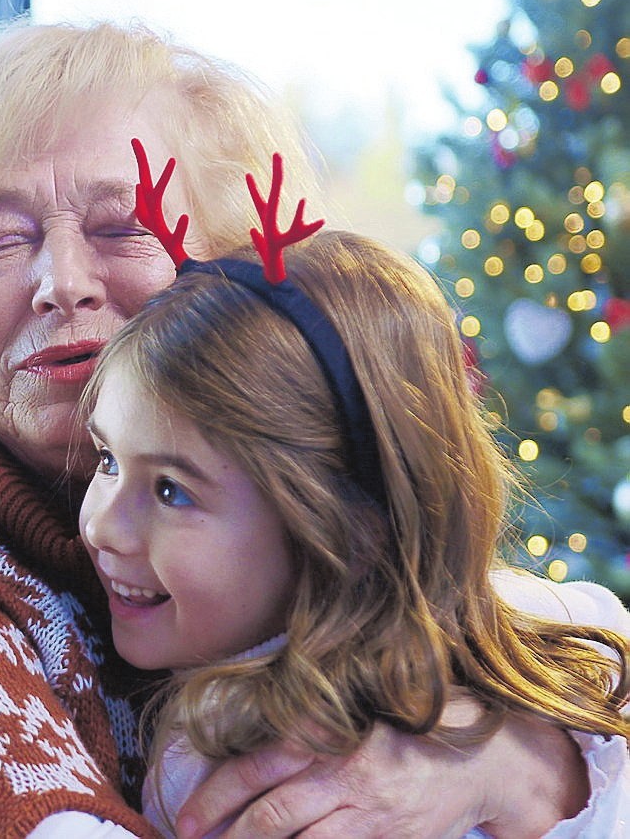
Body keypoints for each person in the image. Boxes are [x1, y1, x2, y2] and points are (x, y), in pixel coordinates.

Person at [0, 18, 621, 839]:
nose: (61, 283)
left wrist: (518, 771)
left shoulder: (322, 513)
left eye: (121, 226)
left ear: (228, 267)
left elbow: (566, 654)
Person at [78, 147, 629, 838]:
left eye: (170, 492)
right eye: (106, 459)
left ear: (342, 524)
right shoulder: (560, 635)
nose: (104, 527)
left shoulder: (225, 764)